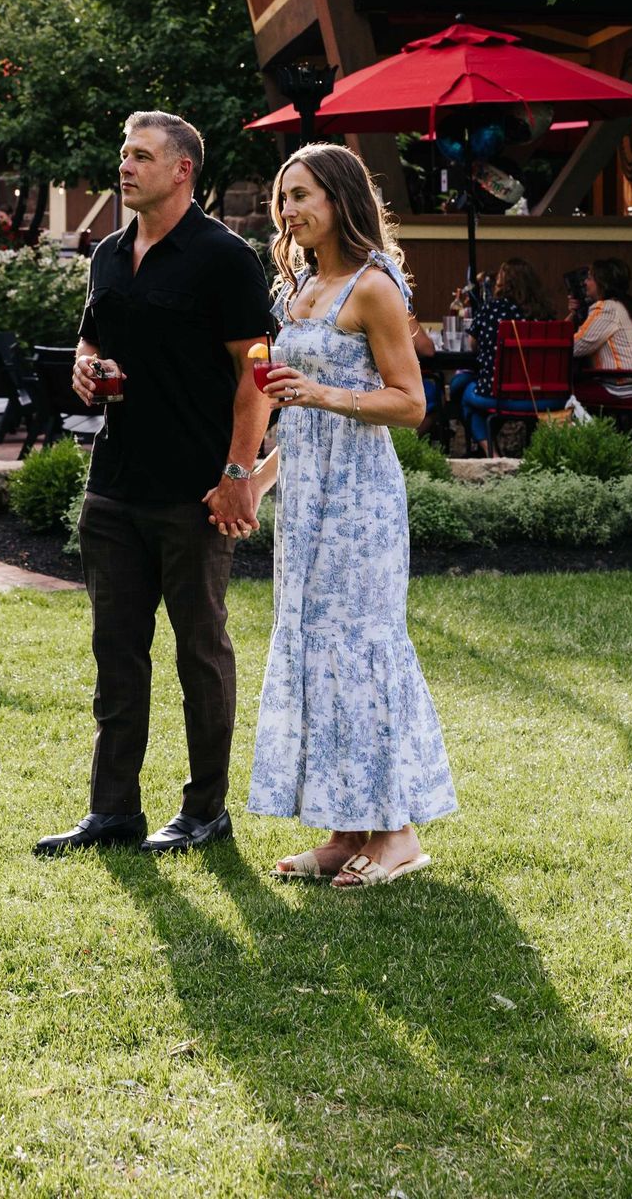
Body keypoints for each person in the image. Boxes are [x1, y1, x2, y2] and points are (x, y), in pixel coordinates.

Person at [34, 111, 273, 860]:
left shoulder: (225, 258)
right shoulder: (108, 253)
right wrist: (86, 365)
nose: (125, 166)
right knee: (116, 654)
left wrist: (238, 474)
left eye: (141, 155)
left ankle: (206, 811)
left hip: (194, 493)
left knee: (199, 653)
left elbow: (257, 374)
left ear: (182, 170)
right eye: (124, 153)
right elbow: (93, 336)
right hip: (114, 486)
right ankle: (112, 811)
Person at [235, 144, 457, 887]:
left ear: (340, 199)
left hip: (360, 501)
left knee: (360, 647)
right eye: (283, 196)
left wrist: (325, 394)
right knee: (314, 650)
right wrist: (261, 479)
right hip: (306, 498)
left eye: (302, 195)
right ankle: (343, 828)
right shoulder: (299, 287)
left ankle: (396, 833)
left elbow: (412, 403)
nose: (289, 209)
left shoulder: (373, 288)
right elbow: (294, 412)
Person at [451, 257, 552, 450]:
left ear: (503, 282)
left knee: (465, 395)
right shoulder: (544, 313)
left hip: (499, 394)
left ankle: (493, 455)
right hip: (542, 396)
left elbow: (472, 345)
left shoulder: (493, 308)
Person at [569, 258, 632, 392]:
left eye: (590, 278)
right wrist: (574, 314)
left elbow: (576, 347)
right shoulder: (628, 305)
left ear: (602, 283)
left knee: (566, 391)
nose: (585, 282)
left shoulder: (607, 308)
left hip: (622, 386)